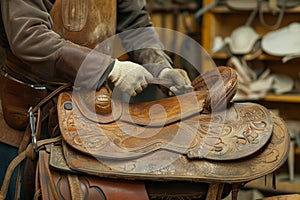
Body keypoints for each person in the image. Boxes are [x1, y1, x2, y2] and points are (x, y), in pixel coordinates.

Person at [0, 0, 192, 199]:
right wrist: (110, 69)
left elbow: (136, 25)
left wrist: (159, 66)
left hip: (95, 110)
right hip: (31, 117)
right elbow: (29, 36)